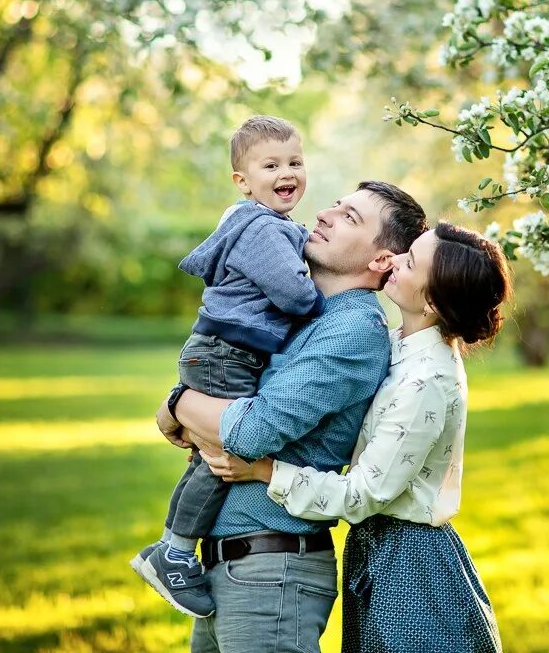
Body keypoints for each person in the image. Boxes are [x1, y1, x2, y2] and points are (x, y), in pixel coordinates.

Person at [204, 222, 511, 653]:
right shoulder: (396, 346)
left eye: (411, 261)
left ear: (432, 301)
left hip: (410, 562)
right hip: (379, 550)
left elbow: (363, 494)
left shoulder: (427, 380)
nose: (397, 260)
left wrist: (265, 470)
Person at [155, 181, 428, 653]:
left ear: (381, 260)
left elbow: (253, 431)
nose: (324, 214)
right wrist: (188, 405)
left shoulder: (353, 331)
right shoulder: (305, 313)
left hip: (272, 572)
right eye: (337, 205)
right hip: (231, 568)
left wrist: (178, 404)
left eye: (350, 218)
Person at [132, 114, 326, 618]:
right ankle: (173, 552)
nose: (288, 172)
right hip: (227, 354)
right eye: (271, 165)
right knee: (223, 456)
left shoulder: (267, 224)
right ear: (243, 180)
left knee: (209, 456)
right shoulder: (261, 229)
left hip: (220, 351)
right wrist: (319, 290)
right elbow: (296, 295)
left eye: (295, 162)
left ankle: (171, 549)